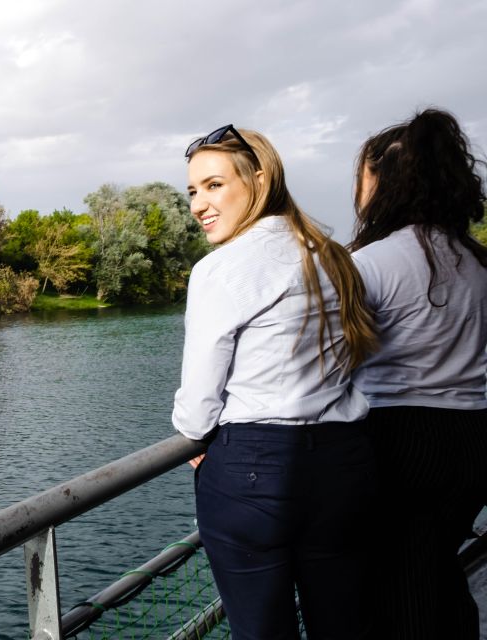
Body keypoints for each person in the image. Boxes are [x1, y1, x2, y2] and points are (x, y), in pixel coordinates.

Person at [172, 124, 378, 639]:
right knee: (342, 625)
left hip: (253, 470)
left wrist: (198, 436)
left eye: (214, 185)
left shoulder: (220, 270)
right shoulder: (334, 257)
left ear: (259, 180)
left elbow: (197, 408)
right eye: (193, 190)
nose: (199, 203)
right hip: (342, 463)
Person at [349, 108, 487, 639]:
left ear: (384, 182)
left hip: (400, 442)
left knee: (396, 586)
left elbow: (326, 362)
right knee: (436, 568)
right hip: (473, 434)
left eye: (362, 178)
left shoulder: (370, 263)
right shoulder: (475, 260)